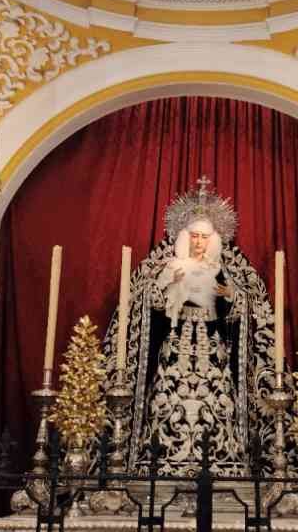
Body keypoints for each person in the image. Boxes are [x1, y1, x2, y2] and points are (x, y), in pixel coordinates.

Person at [102, 178, 276, 476]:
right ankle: (161, 459)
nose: (198, 242)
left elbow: (244, 311)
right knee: (167, 398)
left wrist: (231, 296)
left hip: (211, 347)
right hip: (176, 344)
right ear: (185, 237)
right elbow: (150, 302)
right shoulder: (172, 266)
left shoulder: (222, 270)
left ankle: (223, 461)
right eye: (194, 236)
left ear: (213, 240)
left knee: (219, 400)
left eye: (204, 237)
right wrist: (172, 285)